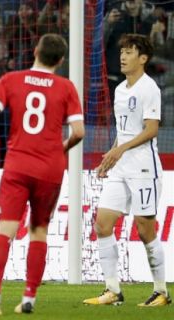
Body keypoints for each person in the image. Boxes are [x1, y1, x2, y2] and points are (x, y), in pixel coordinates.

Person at [0, 33, 85, 314]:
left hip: (18, 164)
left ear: (36, 50)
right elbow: (79, 132)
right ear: (61, 60)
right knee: (39, 231)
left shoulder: (11, 80)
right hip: (50, 168)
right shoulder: (66, 87)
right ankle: (29, 299)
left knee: (6, 229)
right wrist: (60, 148)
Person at [83, 34, 171, 307]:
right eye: (122, 51)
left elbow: (151, 129)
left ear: (142, 58)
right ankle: (112, 290)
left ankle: (161, 292)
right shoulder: (120, 89)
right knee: (102, 224)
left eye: (129, 51)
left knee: (145, 231)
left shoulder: (149, 88)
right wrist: (110, 155)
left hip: (143, 167)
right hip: (120, 167)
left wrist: (121, 150)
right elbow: (123, 132)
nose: (122, 56)